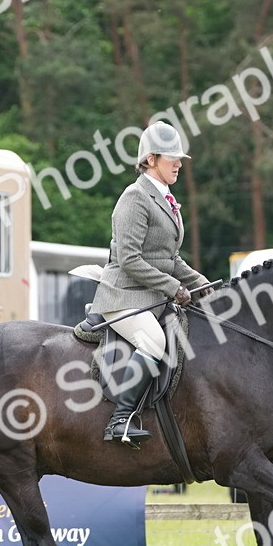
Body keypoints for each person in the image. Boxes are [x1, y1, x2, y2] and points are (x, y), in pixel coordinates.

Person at [89, 120, 211, 445]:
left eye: (180, 158)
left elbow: (170, 259)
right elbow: (130, 260)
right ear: (151, 159)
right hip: (123, 295)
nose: (179, 163)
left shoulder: (166, 198)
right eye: (172, 158)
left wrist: (203, 284)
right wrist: (173, 288)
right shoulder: (135, 197)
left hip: (150, 297)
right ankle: (119, 420)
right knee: (154, 341)